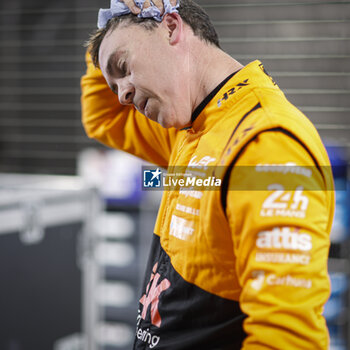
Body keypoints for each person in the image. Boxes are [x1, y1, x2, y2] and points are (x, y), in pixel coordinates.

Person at [81, 0, 335, 348]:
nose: (122, 95)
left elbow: (286, 338)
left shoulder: (266, 142)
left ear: (171, 26)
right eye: (114, 87)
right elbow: (104, 119)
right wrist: (110, 29)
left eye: (123, 66)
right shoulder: (191, 129)